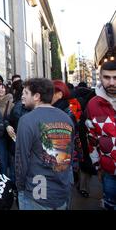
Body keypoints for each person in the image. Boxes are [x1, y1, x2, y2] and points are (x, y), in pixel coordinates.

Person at [15, 78, 74, 210]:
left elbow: (21, 159)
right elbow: (68, 159)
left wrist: (20, 187)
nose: (22, 96)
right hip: (61, 192)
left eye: (25, 92)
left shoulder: (26, 120)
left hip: (35, 194)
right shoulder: (67, 118)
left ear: (36, 96)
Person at [85, 60, 116, 210]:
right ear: (100, 77)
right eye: (107, 77)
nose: (111, 82)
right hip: (108, 173)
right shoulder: (92, 105)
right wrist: (98, 167)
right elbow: (92, 139)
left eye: (115, 78)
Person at [51, 80, 81, 209]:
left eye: (51, 92)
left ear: (60, 94)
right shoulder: (60, 108)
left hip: (62, 163)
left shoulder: (65, 111)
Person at [0, 82, 14, 176]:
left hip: (10, 133)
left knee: (12, 158)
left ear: (6, 90)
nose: (1, 90)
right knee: (2, 158)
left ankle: (13, 182)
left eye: (3, 88)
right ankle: (4, 180)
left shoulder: (11, 103)